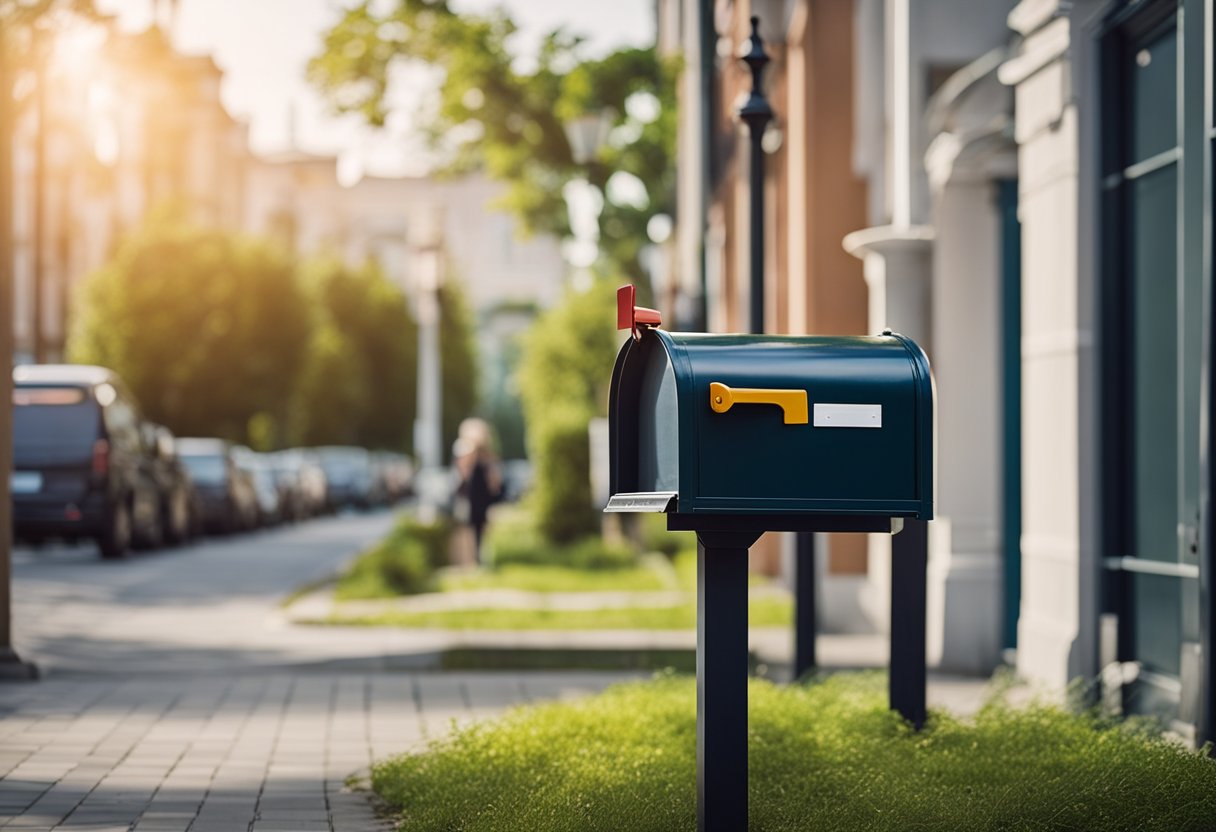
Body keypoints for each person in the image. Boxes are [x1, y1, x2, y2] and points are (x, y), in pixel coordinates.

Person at [454, 418, 502, 564]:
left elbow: (495, 482)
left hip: (483, 499)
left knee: (483, 530)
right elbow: (462, 476)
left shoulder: (488, 458)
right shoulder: (465, 454)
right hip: (471, 499)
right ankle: (470, 560)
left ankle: (481, 559)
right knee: (468, 530)